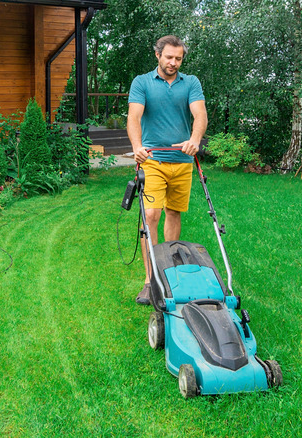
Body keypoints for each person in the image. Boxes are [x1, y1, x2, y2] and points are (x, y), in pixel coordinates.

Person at [127, 35, 208, 305]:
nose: (173, 63)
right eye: (169, 57)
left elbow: (200, 115)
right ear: (157, 55)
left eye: (178, 58)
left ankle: (169, 273)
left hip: (182, 162)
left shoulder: (191, 83)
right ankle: (150, 282)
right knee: (151, 214)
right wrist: (137, 146)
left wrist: (195, 140)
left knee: (173, 213)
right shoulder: (142, 82)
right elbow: (134, 117)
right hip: (153, 160)